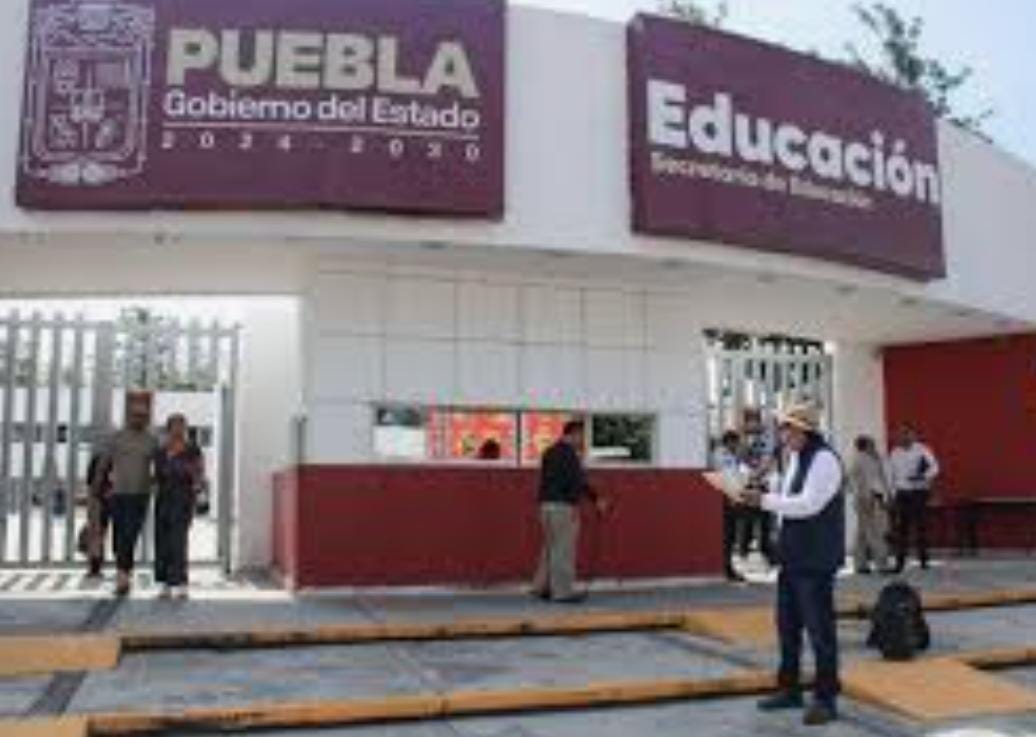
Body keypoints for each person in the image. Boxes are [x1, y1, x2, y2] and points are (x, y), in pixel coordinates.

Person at [743, 403, 845, 726]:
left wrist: (763, 501)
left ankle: (826, 698)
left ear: (803, 430)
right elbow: (787, 496)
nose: (782, 434)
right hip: (794, 558)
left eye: (786, 428)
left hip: (815, 561)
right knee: (787, 629)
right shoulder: (797, 458)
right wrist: (759, 489)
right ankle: (789, 689)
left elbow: (808, 505)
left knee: (820, 632)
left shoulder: (824, 459)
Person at [532, 420, 606, 604]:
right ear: (574, 433)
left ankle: (541, 587)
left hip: (545, 505)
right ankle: (562, 592)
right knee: (564, 550)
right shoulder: (570, 454)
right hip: (563, 506)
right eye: (581, 436)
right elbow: (579, 481)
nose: (582, 440)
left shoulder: (549, 452)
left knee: (550, 547)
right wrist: (596, 499)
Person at [92, 396, 159, 597]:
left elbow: (159, 466)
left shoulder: (152, 440)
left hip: (140, 495)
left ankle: (124, 575)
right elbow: (104, 463)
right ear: (129, 417)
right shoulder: (117, 437)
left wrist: (155, 483)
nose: (140, 419)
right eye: (136, 415)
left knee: (131, 534)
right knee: (120, 535)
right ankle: (123, 574)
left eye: (143, 416)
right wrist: (97, 485)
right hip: (119, 494)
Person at [154, 414, 204, 600]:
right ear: (168, 428)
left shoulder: (192, 450)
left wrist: (197, 488)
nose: (178, 430)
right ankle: (165, 583)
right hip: (163, 498)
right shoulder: (161, 450)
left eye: (182, 426)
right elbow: (158, 473)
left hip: (183, 499)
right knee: (162, 541)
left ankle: (181, 583)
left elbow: (198, 473)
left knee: (179, 541)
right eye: (175, 426)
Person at [888, 427, 939, 572]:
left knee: (921, 527)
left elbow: (935, 467)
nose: (903, 438)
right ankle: (899, 562)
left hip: (919, 492)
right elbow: (891, 474)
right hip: (902, 493)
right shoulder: (894, 453)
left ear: (913, 436)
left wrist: (922, 476)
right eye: (901, 435)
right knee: (901, 529)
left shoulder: (922, 449)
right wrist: (891, 494)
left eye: (907, 435)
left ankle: (923, 560)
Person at [849, 435, 892, 575]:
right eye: (871, 444)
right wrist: (868, 499)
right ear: (866, 446)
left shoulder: (869, 459)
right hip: (868, 499)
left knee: (862, 533)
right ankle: (882, 564)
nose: (874, 446)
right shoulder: (862, 460)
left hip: (868, 498)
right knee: (875, 532)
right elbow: (866, 482)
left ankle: (860, 564)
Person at [711, 430, 746, 582]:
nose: (737, 446)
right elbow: (728, 477)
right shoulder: (724, 456)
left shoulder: (724, 455)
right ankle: (727, 569)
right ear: (730, 442)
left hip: (729, 497)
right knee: (728, 535)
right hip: (727, 498)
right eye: (736, 443)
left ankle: (728, 567)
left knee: (729, 536)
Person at [84, 449, 113, 579]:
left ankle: (95, 565)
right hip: (100, 499)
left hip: (101, 498)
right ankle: (95, 564)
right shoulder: (100, 458)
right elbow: (90, 482)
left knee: (98, 532)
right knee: (98, 532)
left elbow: (90, 482)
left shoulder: (100, 457)